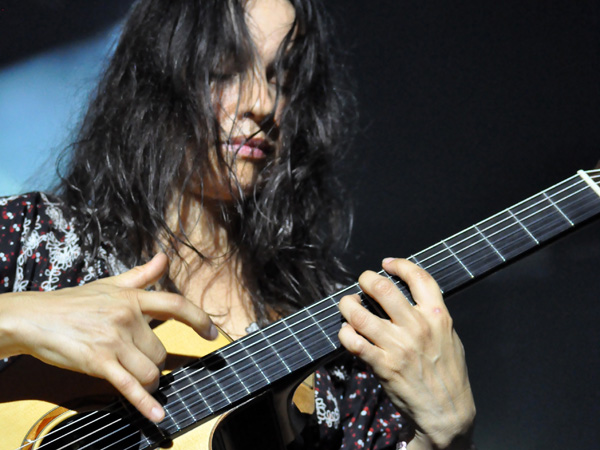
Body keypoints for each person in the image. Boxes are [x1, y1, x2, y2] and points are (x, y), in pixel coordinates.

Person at [0, 0, 475, 448]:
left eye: (282, 79)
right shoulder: (36, 236)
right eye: (227, 68)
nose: (264, 104)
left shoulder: (341, 345)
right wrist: (22, 318)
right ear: (159, 72)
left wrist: (441, 438)